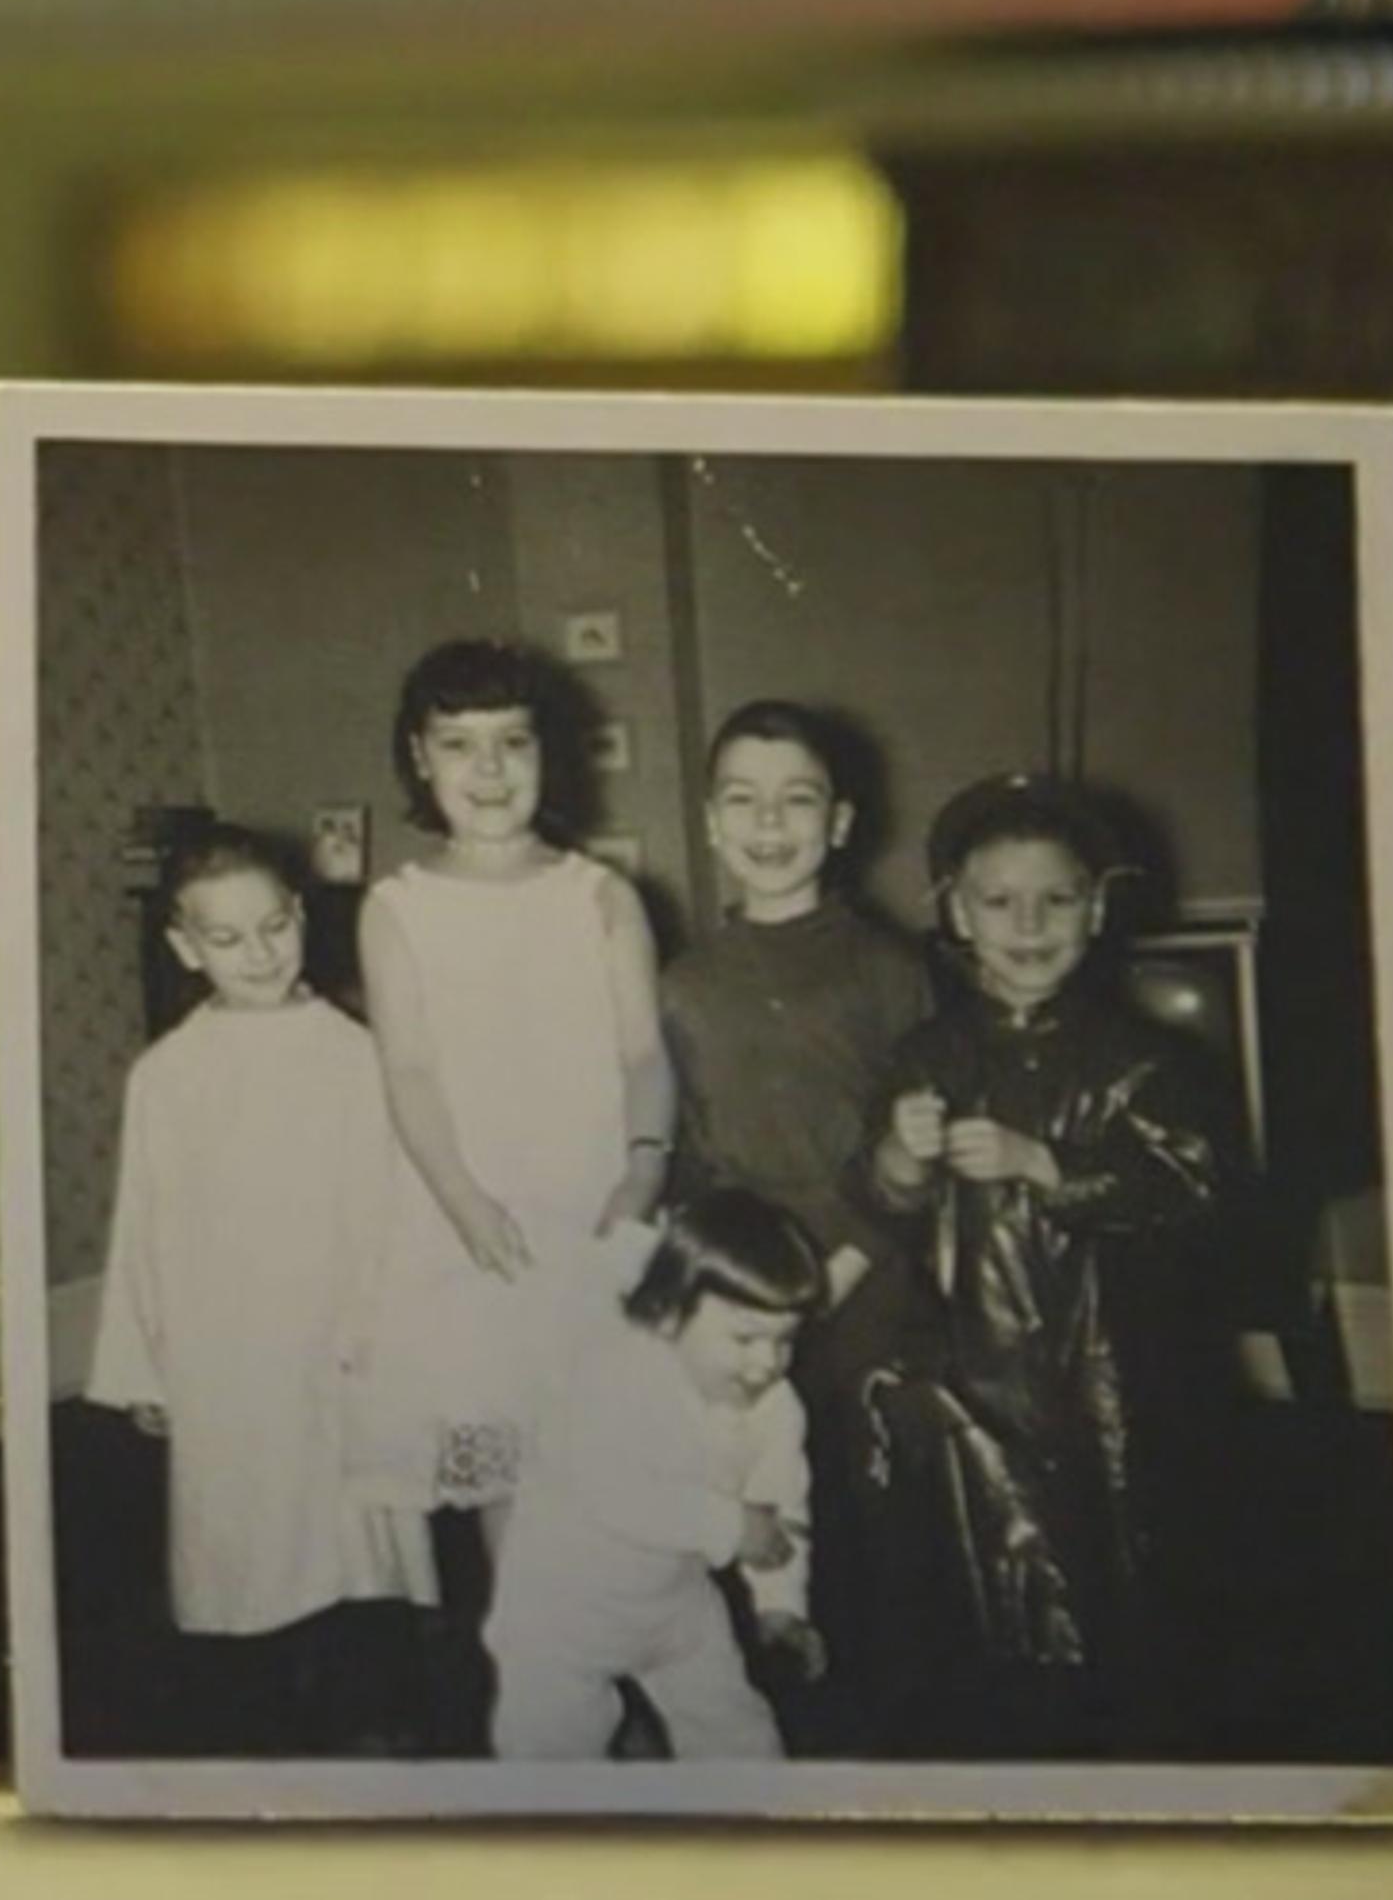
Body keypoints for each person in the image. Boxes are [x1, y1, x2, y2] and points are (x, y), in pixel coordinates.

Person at [862, 773, 1235, 1757]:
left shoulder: (1140, 1058)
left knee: (1120, 1613)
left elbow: (1193, 1190)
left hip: (1107, 1384)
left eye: (1057, 899)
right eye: (998, 901)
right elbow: (885, 1200)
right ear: (954, 910)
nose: (1028, 924)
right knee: (985, 1619)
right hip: (970, 1385)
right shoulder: (926, 1053)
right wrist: (901, 1154)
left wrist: (1048, 1163)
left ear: (1098, 907)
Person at [355, 640, 673, 1576]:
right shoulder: (396, 907)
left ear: (549, 753)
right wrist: (462, 1201)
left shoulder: (603, 896)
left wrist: (645, 1166)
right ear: (419, 757)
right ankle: (543, 1690)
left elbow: (643, 1052)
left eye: (513, 743)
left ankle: (637, 1673)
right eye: (459, 745)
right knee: (510, 1475)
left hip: (594, 1210)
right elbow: (408, 1073)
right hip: (472, 1226)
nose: (488, 771)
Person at [655, 699, 933, 1748]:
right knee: (751, 1514)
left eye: (798, 798)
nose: (771, 823)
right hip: (735, 1291)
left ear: (843, 819)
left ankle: (885, 1750)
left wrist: (845, 1265)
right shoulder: (684, 981)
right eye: (744, 799)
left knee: (865, 1517)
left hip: (867, 1269)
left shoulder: (888, 967)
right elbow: (684, 1148)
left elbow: (920, 1147)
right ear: (714, 820)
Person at [87, 827, 410, 1694]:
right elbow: (144, 1230)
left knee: (353, 1548)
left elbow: (386, 1204)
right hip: (221, 1347)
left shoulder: (355, 1056)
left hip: (337, 1334)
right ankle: (266, 1708)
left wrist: (385, 1329)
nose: (258, 954)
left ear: (300, 916)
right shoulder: (167, 1076)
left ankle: (368, 1701)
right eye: (225, 940)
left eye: (274, 927)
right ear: (185, 948)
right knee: (247, 1547)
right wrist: (141, 1369)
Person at [485, 1192, 826, 1761]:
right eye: (744, 1338)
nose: (766, 1363)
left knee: (734, 1726)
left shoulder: (774, 1405)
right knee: (551, 1745)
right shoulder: (620, 1376)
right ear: (669, 1315)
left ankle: (755, 1818)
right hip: (560, 1608)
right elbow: (613, 1491)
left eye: (784, 1341)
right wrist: (729, 1525)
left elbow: (780, 1505)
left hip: (675, 1604)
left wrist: (781, 1605)